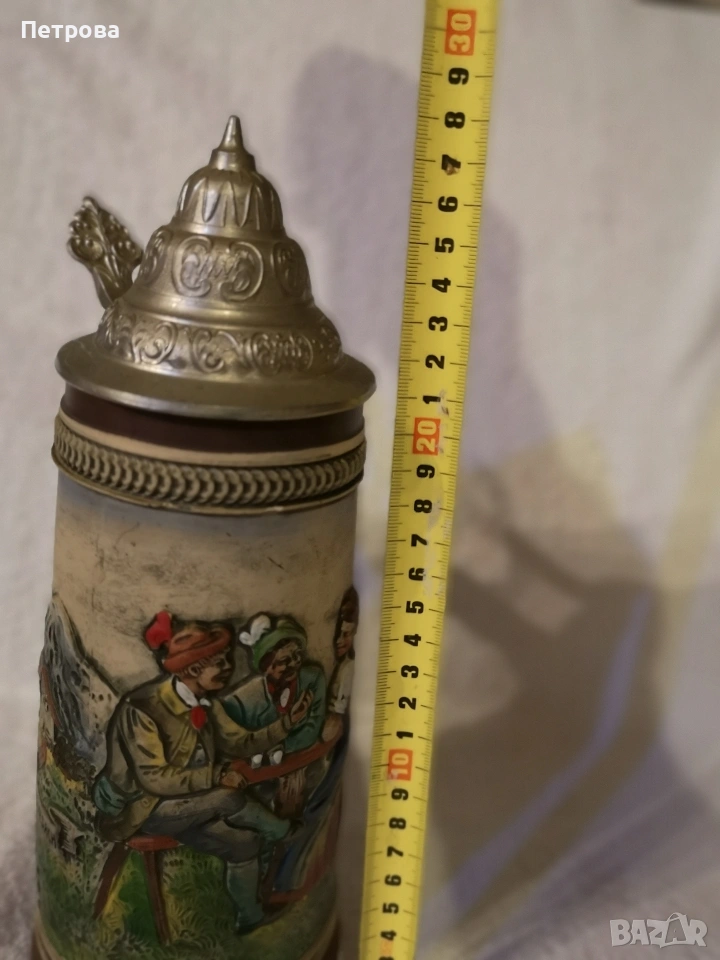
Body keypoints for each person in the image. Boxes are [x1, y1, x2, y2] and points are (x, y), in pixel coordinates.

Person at [93, 611, 312, 932]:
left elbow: (240, 741)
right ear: (194, 669)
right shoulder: (141, 709)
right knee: (226, 797)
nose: (229, 667)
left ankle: (250, 919)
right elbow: (154, 778)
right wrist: (216, 776)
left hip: (190, 805)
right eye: (220, 662)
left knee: (245, 843)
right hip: (142, 808)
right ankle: (285, 833)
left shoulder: (205, 704)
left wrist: (287, 724)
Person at [224, 614, 326, 817]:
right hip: (258, 787)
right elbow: (230, 744)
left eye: (297, 655)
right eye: (284, 661)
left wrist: (281, 748)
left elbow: (312, 727)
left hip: (308, 775)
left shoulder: (312, 679)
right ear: (266, 667)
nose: (295, 663)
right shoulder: (242, 701)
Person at [321, 586, 358, 743]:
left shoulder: (347, 669)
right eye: (337, 634)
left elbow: (333, 722)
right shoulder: (339, 664)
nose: (339, 641)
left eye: (346, 634)